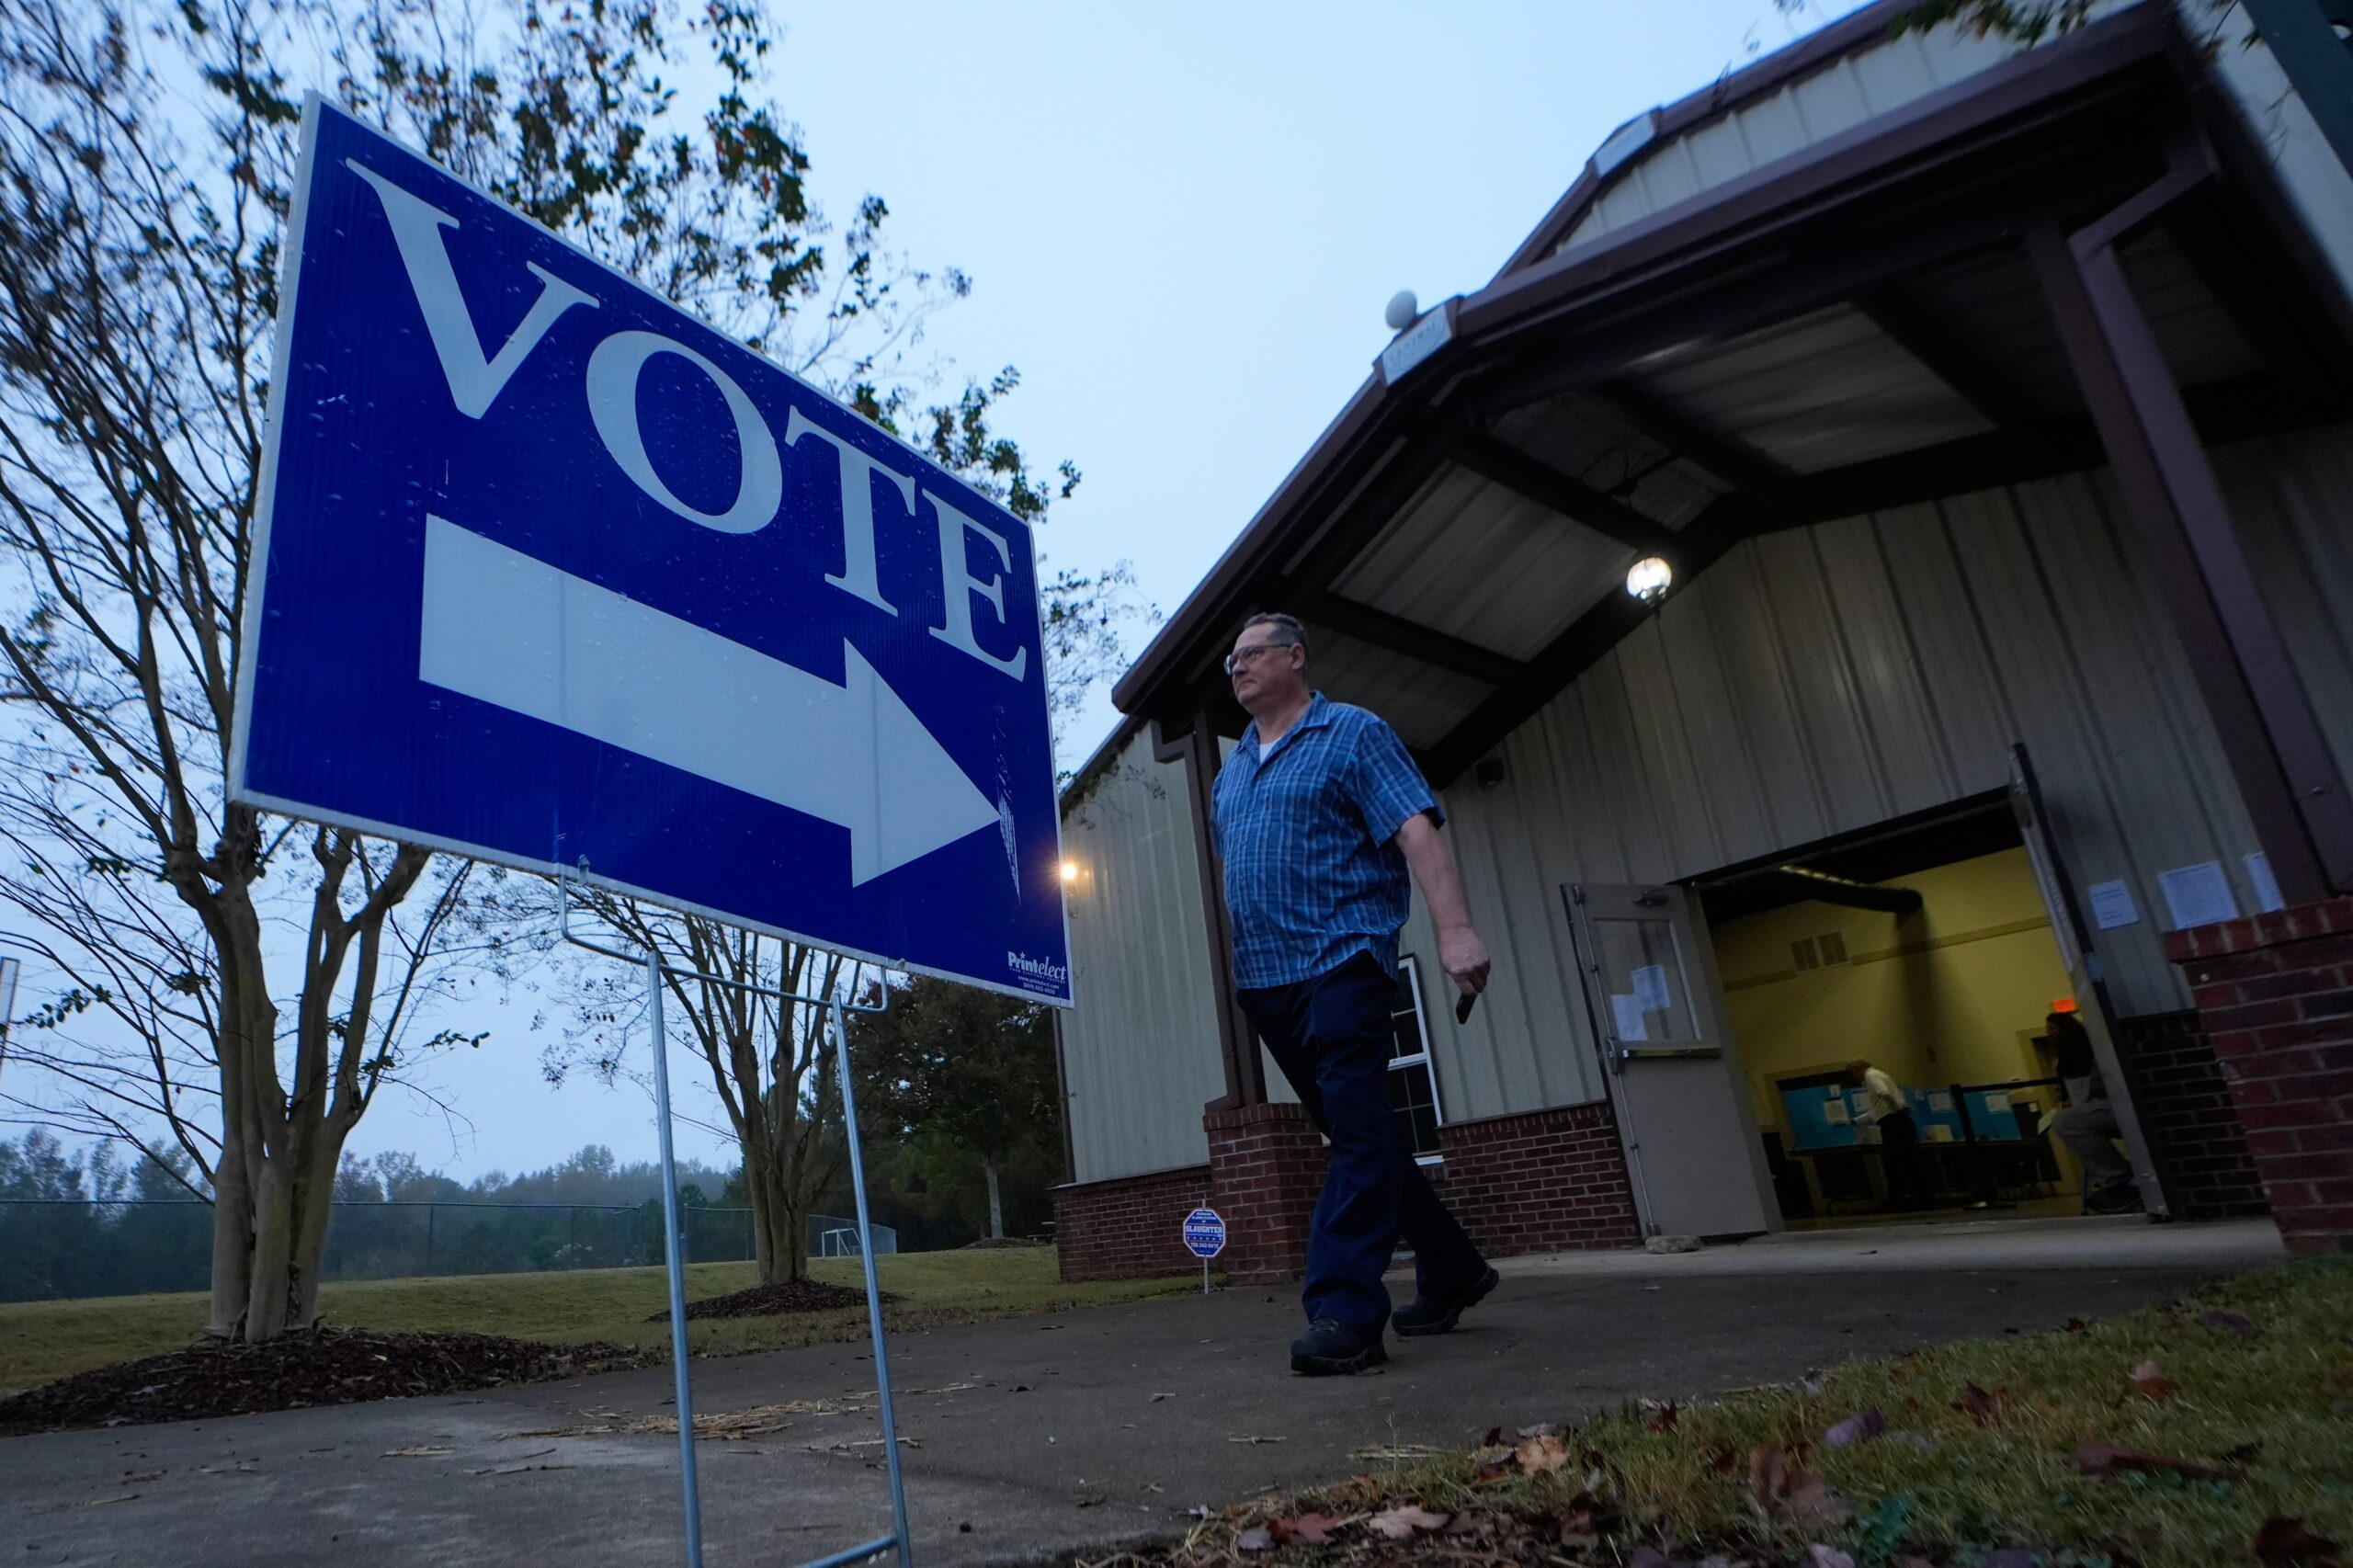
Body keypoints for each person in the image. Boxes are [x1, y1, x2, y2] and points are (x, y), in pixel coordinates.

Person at [1211, 612, 1497, 1375]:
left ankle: (1345, 1310)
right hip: (1268, 980)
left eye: (1250, 654)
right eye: (1229, 661)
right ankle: (1454, 1269)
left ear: (1296, 657)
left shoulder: (1354, 733)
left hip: (1344, 957)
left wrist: (1455, 931)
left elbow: (1416, 832)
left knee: (1359, 1131)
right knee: (1357, 1131)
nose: (1235, 668)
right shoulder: (1231, 770)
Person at [2043, 1010, 2140, 1213]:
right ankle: (2119, 1179)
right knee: (2068, 1121)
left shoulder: (2087, 1048)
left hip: (2108, 1100)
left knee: (2065, 1122)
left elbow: (2098, 1083)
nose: (2049, 1034)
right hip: (2102, 1100)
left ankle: (2118, 1179)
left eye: (2053, 1029)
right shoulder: (2087, 1046)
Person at [1847, 1057, 1925, 1210]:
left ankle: (1900, 1201)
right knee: (1908, 1162)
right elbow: (1877, 1110)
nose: (1856, 1078)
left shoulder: (1871, 1076)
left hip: (1893, 1124)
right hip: (1900, 1121)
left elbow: (1885, 1094)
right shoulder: (1881, 1074)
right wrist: (1855, 1121)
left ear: (1858, 1069)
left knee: (1895, 1163)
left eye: (1854, 1074)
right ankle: (1917, 1198)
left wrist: (1896, 1109)